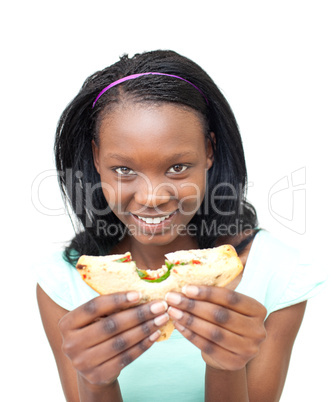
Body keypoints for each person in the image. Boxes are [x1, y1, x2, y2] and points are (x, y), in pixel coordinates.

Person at [35, 50, 325, 402]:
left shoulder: (276, 273)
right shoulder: (65, 284)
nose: (152, 197)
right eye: (124, 170)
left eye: (177, 167)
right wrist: (95, 382)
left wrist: (225, 367)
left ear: (209, 150)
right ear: (97, 158)